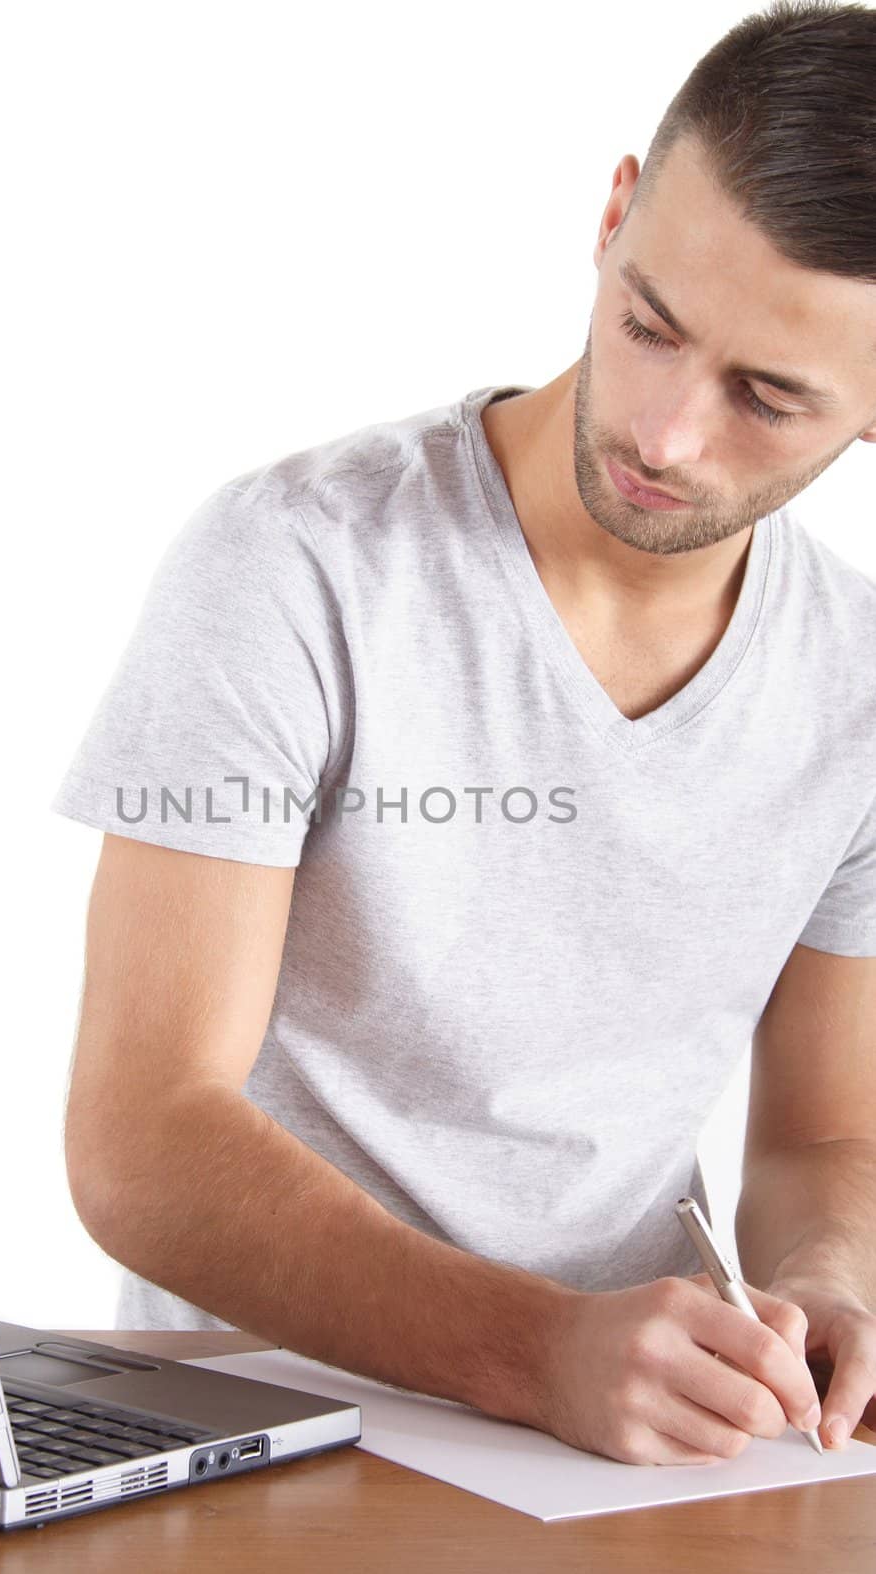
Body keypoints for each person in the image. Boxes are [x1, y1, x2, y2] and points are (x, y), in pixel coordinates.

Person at [52, 0, 876, 1467]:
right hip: (254, 1423)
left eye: (766, 397)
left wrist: (827, 1285)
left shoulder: (860, 687)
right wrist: (536, 1346)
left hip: (633, 1448)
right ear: (615, 214)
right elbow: (142, 1142)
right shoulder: (294, 566)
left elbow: (821, 1137)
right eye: (651, 324)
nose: (668, 435)